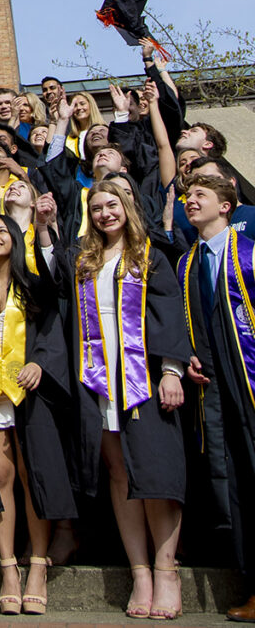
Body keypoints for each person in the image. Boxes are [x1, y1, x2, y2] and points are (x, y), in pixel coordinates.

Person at [63, 180, 190, 619]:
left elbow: (170, 310)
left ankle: (166, 569)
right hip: (100, 382)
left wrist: (172, 370)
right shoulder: (85, 261)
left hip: (145, 380)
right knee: (119, 474)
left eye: (111, 205)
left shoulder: (149, 255)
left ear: (127, 206)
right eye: (96, 208)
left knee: (154, 473)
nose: (104, 214)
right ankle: (139, 571)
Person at [0, 215, 73, 615]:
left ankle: (37, 564)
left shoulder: (34, 284)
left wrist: (40, 362)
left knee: (31, 472)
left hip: (28, 393)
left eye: (2, 230)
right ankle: (9, 569)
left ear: (16, 239)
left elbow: (54, 323)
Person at [177, 174, 255, 621]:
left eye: (201, 196)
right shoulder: (190, 261)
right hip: (216, 381)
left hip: (249, 373)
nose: (191, 202)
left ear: (227, 206)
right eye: (188, 197)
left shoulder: (247, 252)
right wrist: (191, 353)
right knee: (239, 480)